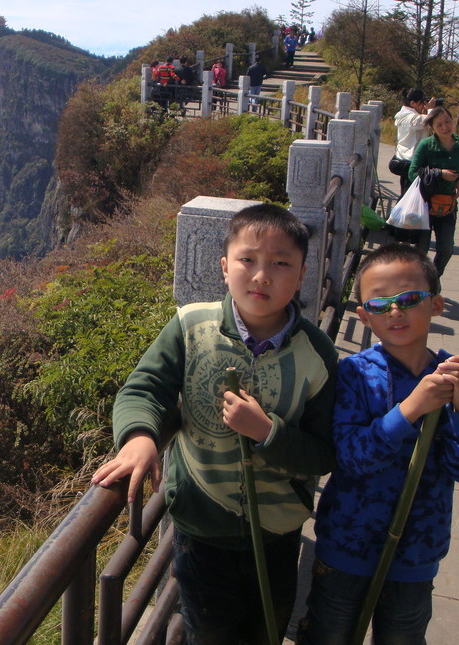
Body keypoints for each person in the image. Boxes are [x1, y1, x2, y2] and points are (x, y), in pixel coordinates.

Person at [91, 203, 337, 645]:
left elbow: (323, 453)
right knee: (207, 633)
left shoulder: (317, 353)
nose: (261, 276)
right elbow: (144, 389)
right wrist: (140, 437)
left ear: (302, 275)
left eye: (281, 264)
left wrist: (267, 433)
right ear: (224, 267)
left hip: (277, 534)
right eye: (248, 260)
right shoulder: (191, 326)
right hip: (202, 530)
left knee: (266, 631)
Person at [300, 243, 459, 644]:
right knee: (328, 632)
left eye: (408, 299)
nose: (395, 311)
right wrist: (411, 409)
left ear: (436, 304)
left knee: (403, 635)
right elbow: (350, 457)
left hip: (417, 550)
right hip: (348, 544)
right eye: (380, 303)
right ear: (364, 316)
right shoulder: (353, 374)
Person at [408, 106, 459, 277]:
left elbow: (457, 168)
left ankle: (433, 279)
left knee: (446, 248)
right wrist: (440, 174)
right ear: (432, 127)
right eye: (439, 124)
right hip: (425, 204)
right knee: (421, 250)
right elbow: (412, 173)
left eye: (448, 121)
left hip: (448, 205)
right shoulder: (426, 145)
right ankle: (420, 281)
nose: (445, 127)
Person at [393, 89, 433, 196]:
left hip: (404, 159)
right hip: (411, 162)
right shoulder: (410, 118)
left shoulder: (404, 115)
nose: (424, 105)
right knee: (409, 196)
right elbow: (431, 121)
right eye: (422, 102)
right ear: (412, 103)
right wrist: (431, 109)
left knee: (406, 194)